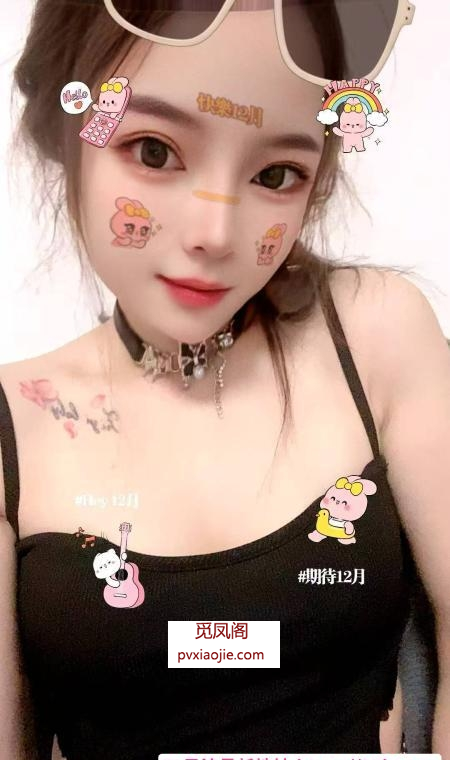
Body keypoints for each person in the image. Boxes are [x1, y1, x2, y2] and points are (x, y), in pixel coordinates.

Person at [0, 0, 449, 758]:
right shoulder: (13, 425)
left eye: (275, 174)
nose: (215, 235)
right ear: (64, 128)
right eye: (153, 151)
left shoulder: (375, 332)